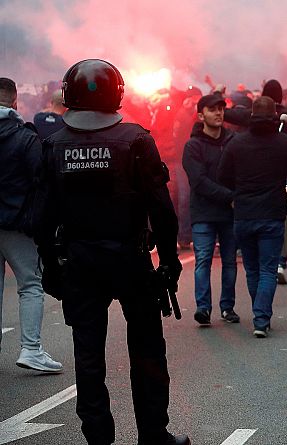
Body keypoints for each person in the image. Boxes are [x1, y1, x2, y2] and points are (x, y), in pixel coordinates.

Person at [35, 59, 189, 444]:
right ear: (118, 93)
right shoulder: (137, 140)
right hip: (131, 261)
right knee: (148, 352)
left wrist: (51, 270)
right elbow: (162, 209)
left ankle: (98, 439)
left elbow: (41, 216)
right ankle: (154, 436)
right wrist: (169, 261)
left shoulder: (53, 145)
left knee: (88, 358)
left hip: (80, 263)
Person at [218, 96, 287, 338]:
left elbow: (223, 176)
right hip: (272, 214)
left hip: (243, 213)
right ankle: (261, 318)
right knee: (267, 269)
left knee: (252, 269)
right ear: (275, 116)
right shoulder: (286, 142)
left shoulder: (236, 143)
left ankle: (260, 313)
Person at [0, 77, 63, 373]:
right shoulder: (25, 137)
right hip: (16, 226)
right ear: (14, 102)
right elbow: (42, 182)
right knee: (30, 284)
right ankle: (31, 349)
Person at [182, 94, 238, 325]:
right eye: (212, 109)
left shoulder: (233, 141)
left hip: (230, 214)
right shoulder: (193, 146)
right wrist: (230, 196)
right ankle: (203, 308)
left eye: (221, 109)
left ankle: (228, 307)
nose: (218, 113)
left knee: (230, 261)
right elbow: (199, 181)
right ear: (200, 115)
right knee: (203, 259)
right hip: (204, 212)